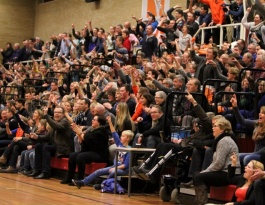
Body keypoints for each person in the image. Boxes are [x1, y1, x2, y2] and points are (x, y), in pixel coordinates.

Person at [71, 116, 134, 189]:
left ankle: (103, 185)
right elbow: (114, 133)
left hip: (123, 170)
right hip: (115, 166)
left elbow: (126, 165)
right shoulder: (119, 145)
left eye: (123, 136)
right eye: (121, 136)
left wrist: (115, 168)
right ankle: (82, 182)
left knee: (113, 172)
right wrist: (110, 122)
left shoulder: (129, 150)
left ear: (128, 138)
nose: (120, 137)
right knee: (98, 171)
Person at [193, 118, 240, 205]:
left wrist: (205, 171)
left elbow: (219, 164)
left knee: (198, 177)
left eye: (215, 126)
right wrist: (205, 171)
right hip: (224, 171)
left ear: (222, 129)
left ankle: (202, 203)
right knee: (197, 174)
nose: (212, 128)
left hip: (229, 173)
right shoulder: (222, 140)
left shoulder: (224, 141)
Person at [60, 115, 109, 184]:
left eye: (94, 120)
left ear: (99, 122)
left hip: (99, 154)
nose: (92, 120)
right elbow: (83, 142)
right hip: (90, 151)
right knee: (72, 155)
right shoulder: (92, 130)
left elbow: (88, 138)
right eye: (92, 119)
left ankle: (80, 180)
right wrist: (78, 134)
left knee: (81, 157)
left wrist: (80, 132)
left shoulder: (101, 131)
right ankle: (69, 178)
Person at [231, 94, 265, 167]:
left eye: (262, 113)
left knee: (247, 158)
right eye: (260, 112)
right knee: (236, 156)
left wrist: (254, 154)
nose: (260, 114)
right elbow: (242, 122)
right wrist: (235, 107)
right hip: (255, 153)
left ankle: (249, 178)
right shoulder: (257, 123)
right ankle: (238, 177)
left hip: (263, 156)